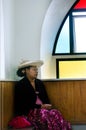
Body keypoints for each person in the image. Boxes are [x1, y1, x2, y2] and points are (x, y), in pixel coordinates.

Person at [13, 60, 72, 130]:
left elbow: (46, 98)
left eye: (37, 70)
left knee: (55, 112)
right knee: (44, 114)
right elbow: (23, 104)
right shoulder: (20, 85)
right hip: (29, 112)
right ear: (26, 70)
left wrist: (47, 106)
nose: (37, 72)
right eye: (34, 70)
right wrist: (40, 106)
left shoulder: (39, 83)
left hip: (42, 109)